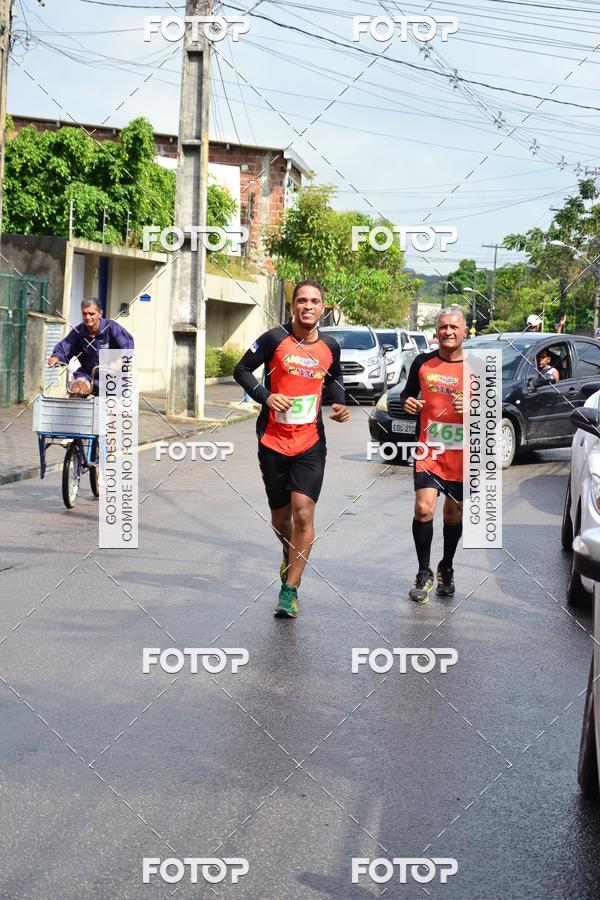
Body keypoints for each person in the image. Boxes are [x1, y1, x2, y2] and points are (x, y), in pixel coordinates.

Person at [233, 280, 350, 618]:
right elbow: (240, 370)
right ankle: (289, 554)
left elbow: (335, 380)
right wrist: (266, 396)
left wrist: (340, 405)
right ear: (293, 306)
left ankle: (290, 590)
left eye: (314, 301)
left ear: (323, 307)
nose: (308, 306)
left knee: (303, 513)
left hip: (310, 442)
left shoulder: (330, 346)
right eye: (301, 300)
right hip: (272, 441)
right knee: (281, 518)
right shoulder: (273, 339)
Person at [400, 305, 467, 604]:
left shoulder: (478, 367)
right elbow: (406, 394)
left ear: (464, 331)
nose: (448, 332)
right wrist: (408, 403)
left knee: (453, 514)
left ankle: (447, 567)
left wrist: (475, 409)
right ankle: (423, 572)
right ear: (436, 331)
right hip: (430, 449)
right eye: (443, 327)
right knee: (423, 509)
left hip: (463, 454)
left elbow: (494, 411)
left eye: (454, 327)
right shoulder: (423, 362)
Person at [48, 298, 134, 395]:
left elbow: (128, 346)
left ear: (100, 314)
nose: (87, 317)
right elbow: (65, 347)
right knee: (76, 390)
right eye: (84, 314)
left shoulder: (112, 328)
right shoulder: (78, 332)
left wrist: (119, 362)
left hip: (112, 376)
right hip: (88, 375)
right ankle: (75, 409)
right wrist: (56, 357)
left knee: (111, 407)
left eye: (91, 314)